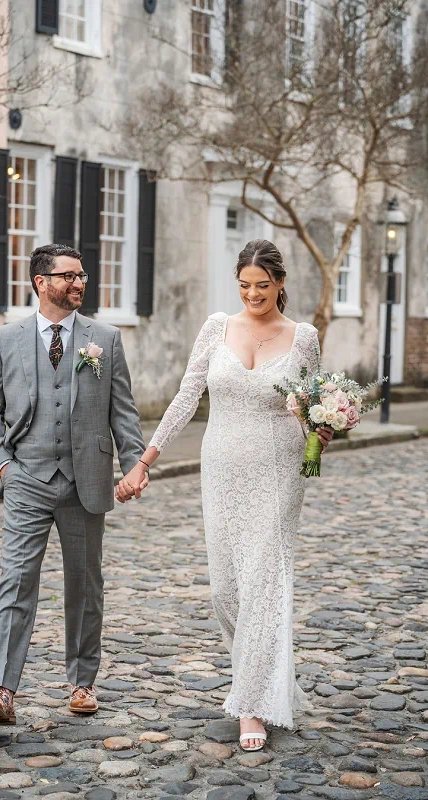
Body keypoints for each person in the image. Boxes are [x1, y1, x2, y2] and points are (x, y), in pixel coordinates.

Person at [116, 239, 333, 751]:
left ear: (281, 284)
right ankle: (260, 675)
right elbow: (187, 396)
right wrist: (145, 461)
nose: (253, 294)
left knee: (264, 581)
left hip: (279, 470)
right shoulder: (217, 327)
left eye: (263, 285)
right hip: (221, 468)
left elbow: (309, 406)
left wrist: (320, 435)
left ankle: (252, 704)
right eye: (244, 285)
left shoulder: (304, 337)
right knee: (225, 590)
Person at [0, 243, 147, 724]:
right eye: (68, 276)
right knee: (15, 580)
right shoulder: (6, 339)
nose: (79, 284)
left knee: (85, 584)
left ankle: (82, 682)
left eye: (82, 275)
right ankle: (1, 688)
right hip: (26, 477)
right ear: (40, 282)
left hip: (85, 480)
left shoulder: (104, 340)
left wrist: (134, 463)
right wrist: (3, 466)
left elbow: (123, 411)